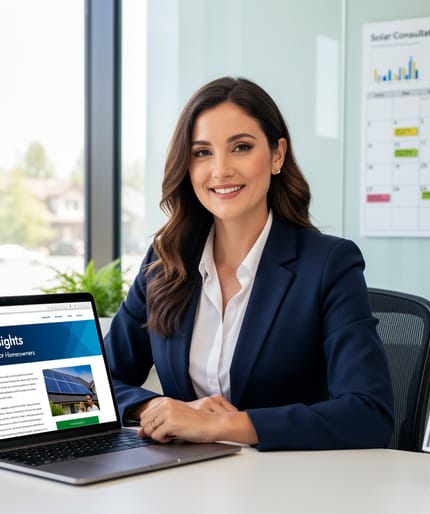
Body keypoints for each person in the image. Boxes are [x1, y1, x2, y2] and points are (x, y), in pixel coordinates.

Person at [105, 77, 394, 451]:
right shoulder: (166, 262)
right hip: (182, 475)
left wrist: (220, 425)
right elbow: (99, 381)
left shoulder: (328, 265)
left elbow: (369, 413)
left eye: (240, 147)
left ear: (277, 156)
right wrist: (155, 408)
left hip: (288, 478)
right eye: (202, 152)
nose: (220, 170)